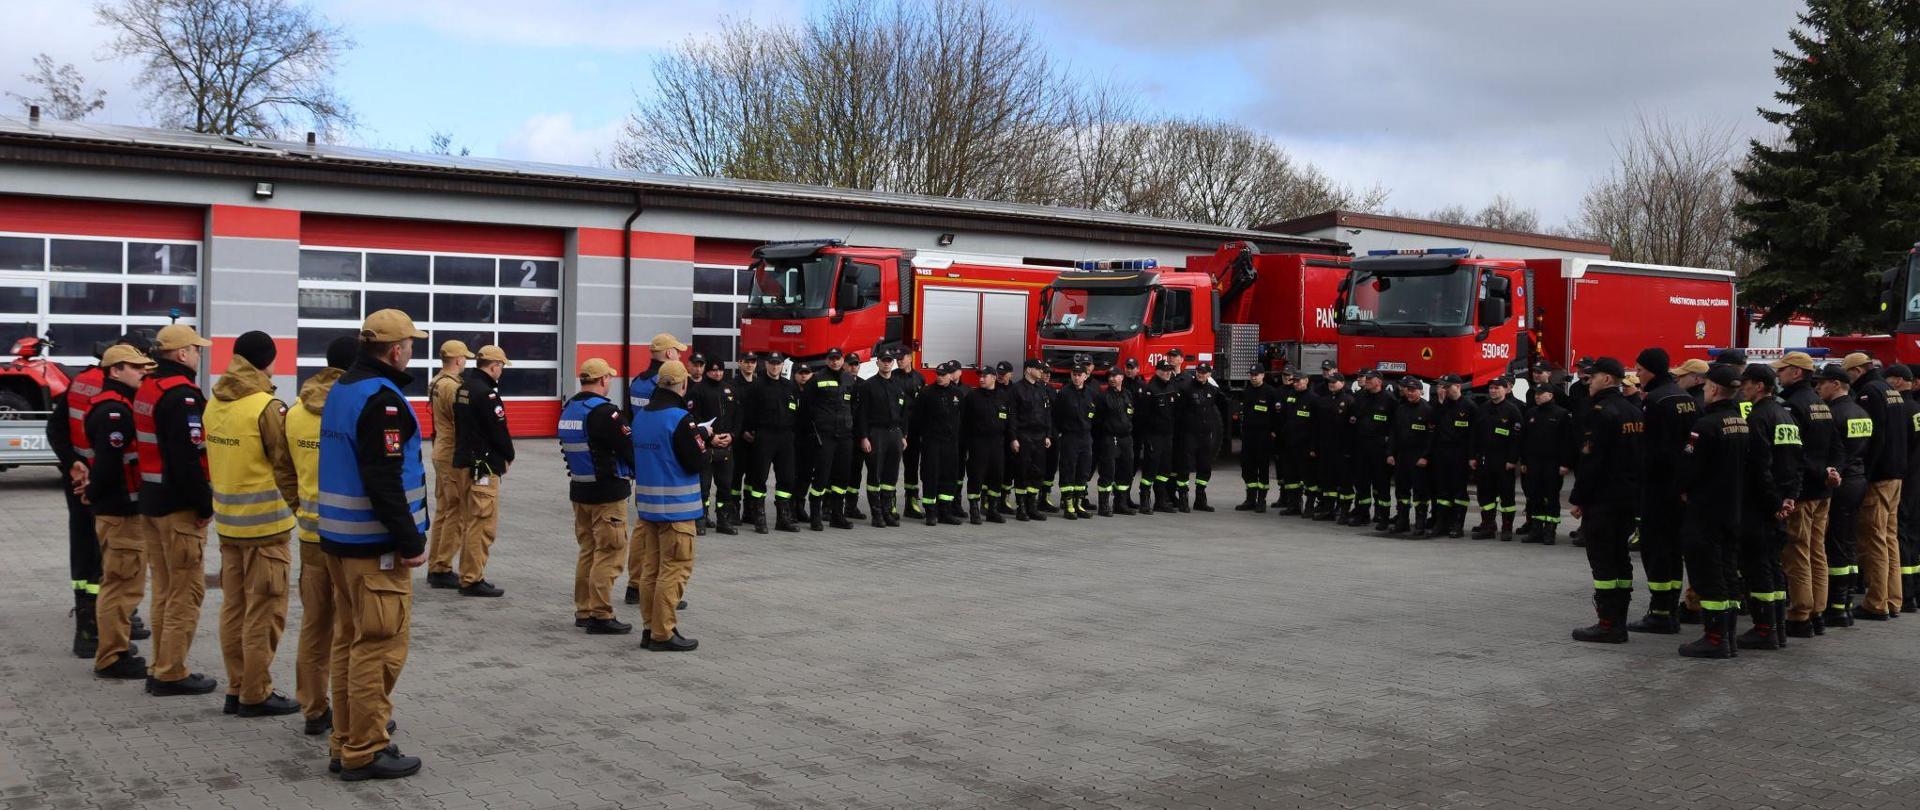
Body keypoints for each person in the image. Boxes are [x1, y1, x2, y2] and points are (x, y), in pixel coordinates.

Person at [316, 309, 429, 780]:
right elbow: (382, 478)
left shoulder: (341, 389)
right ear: (395, 349)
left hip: (340, 542)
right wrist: (410, 540)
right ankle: (366, 748)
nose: (412, 352)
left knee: (349, 643)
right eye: (410, 345)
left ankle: (346, 740)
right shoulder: (381, 400)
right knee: (378, 648)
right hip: (373, 548)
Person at [206, 330, 301, 717]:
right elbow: (286, 462)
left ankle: (236, 685)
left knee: (234, 607)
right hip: (266, 528)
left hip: (228, 525)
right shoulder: (267, 406)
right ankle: (256, 692)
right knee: (264, 611)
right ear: (267, 361)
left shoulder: (215, 401)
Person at [136, 323, 218, 697]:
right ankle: (171, 672)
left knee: (165, 589)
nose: (200, 355)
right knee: (185, 591)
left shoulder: (148, 387)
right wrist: (204, 503)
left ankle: (159, 664)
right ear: (182, 354)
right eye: (196, 350)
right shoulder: (181, 395)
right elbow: (187, 459)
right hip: (178, 507)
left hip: (150, 502)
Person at [286, 336, 356, 737]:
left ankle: (314, 709)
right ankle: (352, 716)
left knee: (315, 625)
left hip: (309, 533)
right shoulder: (352, 409)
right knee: (351, 630)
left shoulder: (295, 412)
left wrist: (299, 506)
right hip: (348, 536)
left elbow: (283, 467)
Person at [85, 344, 157, 679]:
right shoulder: (115, 412)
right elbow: (108, 466)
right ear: (115, 370)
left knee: (120, 581)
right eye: (135, 367)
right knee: (123, 585)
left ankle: (116, 646)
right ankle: (112, 657)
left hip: (116, 509)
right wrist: (96, 495)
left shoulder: (113, 406)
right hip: (121, 512)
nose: (143, 372)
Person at [631, 360, 712, 653]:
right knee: (674, 570)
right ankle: (663, 633)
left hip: (649, 508)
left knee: (651, 571)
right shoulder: (680, 418)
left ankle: (650, 628)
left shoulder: (641, 417)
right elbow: (695, 461)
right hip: (678, 510)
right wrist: (709, 443)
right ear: (683, 385)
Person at [1568, 357, 1647, 644]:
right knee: (1620, 559)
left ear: (1608, 379)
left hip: (1603, 498)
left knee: (1602, 562)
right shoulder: (1634, 410)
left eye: (1593, 376)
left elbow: (1592, 460)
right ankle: (1620, 621)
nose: (1588, 381)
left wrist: (1578, 498)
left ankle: (1607, 623)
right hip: (1628, 496)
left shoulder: (1601, 412)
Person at [1676, 364, 1748, 659]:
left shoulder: (1705, 426)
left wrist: (1680, 487)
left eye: (1705, 387)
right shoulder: (1741, 422)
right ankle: (1727, 636)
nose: (1703, 392)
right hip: (1732, 509)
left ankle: (1715, 637)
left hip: (1706, 510)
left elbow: (1690, 468)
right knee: (1728, 572)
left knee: (1708, 574)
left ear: (1715, 389)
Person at [561, 358, 635, 635]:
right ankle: (601, 615)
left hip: (580, 491)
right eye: (610, 378)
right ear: (604, 380)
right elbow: (629, 447)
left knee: (588, 552)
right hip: (607, 495)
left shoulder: (569, 409)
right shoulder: (605, 413)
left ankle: (584, 610)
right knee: (610, 553)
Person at [1629, 348, 1698, 633]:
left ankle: (1660, 612)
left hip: (1658, 487)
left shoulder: (1655, 401)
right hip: (1680, 487)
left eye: (1641, 370)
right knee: (1672, 548)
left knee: (1656, 548)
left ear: (1653, 371)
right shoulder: (1687, 399)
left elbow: (1651, 449)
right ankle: (1669, 607)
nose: (1638, 376)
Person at [1774, 352, 1842, 637]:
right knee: (1817, 551)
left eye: (1783, 371)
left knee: (1797, 553)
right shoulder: (1822, 404)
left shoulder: (1792, 405)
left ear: (1797, 373)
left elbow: (1795, 453)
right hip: (1823, 492)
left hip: (1802, 491)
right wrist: (1832, 472)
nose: (1778, 375)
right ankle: (1817, 612)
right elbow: (1837, 446)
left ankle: (1800, 613)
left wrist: (1793, 487)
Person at [1735, 363, 1800, 649]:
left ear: (1759, 386)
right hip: (1781, 501)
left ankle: (1764, 629)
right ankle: (1778, 627)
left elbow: (1760, 467)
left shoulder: (1759, 417)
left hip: (1761, 506)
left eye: (1746, 384)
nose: (1742, 389)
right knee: (1773, 566)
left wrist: (1773, 502)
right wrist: (1789, 498)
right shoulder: (1786, 416)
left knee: (1757, 567)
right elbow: (1795, 461)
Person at [1842, 352, 1906, 619]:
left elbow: (1873, 437)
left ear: (1857, 370)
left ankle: (1877, 602)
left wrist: (1866, 473)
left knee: (1875, 539)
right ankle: (1893, 598)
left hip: (1879, 476)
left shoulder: (1869, 392)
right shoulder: (1891, 390)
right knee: (1889, 538)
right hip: (1896, 475)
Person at [451, 345, 514, 598]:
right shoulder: (487, 394)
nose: (501, 372)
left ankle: (468, 574)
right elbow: (498, 431)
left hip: (463, 461)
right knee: (482, 524)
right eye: (501, 367)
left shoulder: (463, 388)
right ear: (494, 365)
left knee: (469, 521)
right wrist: (509, 455)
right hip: (483, 466)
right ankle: (472, 578)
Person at [1820, 366, 1871, 628]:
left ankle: (1836, 606)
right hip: (1858, 479)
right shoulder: (1861, 412)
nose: (1819, 388)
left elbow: (1831, 451)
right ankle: (1847, 601)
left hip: (1841, 481)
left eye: (1823, 384)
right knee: (1849, 542)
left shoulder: (1834, 413)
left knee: (1835, 543)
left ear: (1837, 384)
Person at [424, 340, 472, 590]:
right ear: (458, 360)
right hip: (452, 452)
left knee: (444, 510)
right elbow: (460, 421)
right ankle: (442, 566)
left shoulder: (436, 381)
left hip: (440, 449)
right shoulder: (452, 387)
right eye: (465, 357)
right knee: (457, 511)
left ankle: (436, 564)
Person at [740, 352, 802, 534]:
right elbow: (747, 411)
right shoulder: (757, 386)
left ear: (783, 365)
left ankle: (783, 518)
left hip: (785, 437)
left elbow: (797, 412)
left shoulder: (790, 386)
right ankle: (759, 517)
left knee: (787, 478)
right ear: (766, 364)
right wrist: (747, 430)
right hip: (764, 436)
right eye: (772, 363)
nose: (775, 367)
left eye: (778, 364)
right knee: (759, 477)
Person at [803, 348, 857, 531]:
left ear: (843, 360)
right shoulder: (816, 379)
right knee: (821, 477)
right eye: (831, 359)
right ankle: (816, 516)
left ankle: (837, 515)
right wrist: (815, 430)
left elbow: (854, 406)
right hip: (824, 436)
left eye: (838, 359)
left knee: (842, 477)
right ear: (827, 360)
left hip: (845, 436)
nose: (835, 362)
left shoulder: (850, 379)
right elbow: (806, 407)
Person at [686, 354, 740, 536]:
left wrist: (732, 435)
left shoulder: (729, 389)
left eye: (720, 370)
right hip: (707, 446)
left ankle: (724, 520)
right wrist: (710, 438)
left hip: (726, 445)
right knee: (704, 486)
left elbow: (738, 417)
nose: (717, 373)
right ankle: (700, 519)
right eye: (713, 370)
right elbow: (694, 418)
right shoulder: (698, 391)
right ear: (708, 371)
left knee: (725, 486)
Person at [855, 349, 909, 527]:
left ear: (892, 363)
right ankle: (877, 514)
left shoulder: (898, 385)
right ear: (877, 362)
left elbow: (904, 413)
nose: (887, 363)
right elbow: (861, 414)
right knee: (875, 475)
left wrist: (903, 435)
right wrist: (864, 437)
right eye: (883, 360)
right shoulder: (868, 386)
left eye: (889, 361)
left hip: (895, 434)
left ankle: (888, 512)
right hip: (876, 434)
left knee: (891, 476)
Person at [1518, 383, 1576, 545]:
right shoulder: (1531, 413)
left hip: (1553, 463)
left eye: (1541, 393)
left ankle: (1550, 530)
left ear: (1550, 396)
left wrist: (1565, 464)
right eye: (1536, 393)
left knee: (1551, 496)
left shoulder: (1561, 414)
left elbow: (1567, 442)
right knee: (1534, 495)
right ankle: (1536, 529)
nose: (1537, 396)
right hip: (1534, 462)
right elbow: (1524, 440)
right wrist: (1524, 461)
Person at [1469, 376, 1525, 540]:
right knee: (1485, 494)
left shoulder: (1512, 410)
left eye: (1497, 388)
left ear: (1505, 389)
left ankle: (1507, 528)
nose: (1493, 391)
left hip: (1504, 461)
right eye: (1491, 388)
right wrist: (1472, 456)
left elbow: (1517, 438)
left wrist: (1512, 460)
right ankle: (1488, 526)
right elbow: (1474, 434)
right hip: (1485, 459)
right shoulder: (1483, 408)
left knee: (1507, 495)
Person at [915, 361, 967, 525]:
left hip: (950, 443)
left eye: (943, 375)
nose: (940, 377)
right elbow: (917, 418)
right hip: (932, 442)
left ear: (951, 376)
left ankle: (945, 511)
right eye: (938, 374)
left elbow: (962, 418)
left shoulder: (957, 393)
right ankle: (931, 511)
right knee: (931, 475)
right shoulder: (926, 393)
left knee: (949, 475)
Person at [961, 362, 1011, 524]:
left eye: (984, 376)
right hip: (978, 442)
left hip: (997, 443)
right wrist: (966, 445)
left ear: (994, 378)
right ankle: (974, 509)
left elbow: (1010, 421)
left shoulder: (1003, 396)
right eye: (980, 376)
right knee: (976, 475)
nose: (981, 379)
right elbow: (964, 422)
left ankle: (993, 510)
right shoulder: (972, 397)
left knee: (997, 476)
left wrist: (1012, 440)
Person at [1888, 365, 1920, 614]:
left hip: (1906, 479)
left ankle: (1906, 593)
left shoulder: (1900, 410)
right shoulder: (1917, 409)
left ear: (1898, 382)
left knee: (1902, 534)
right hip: (1916, 479)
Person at [1387, 376, 1435, 536]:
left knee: (1420, 491)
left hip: (1418, 456)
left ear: (1420, 392)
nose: (1410, 393)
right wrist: (1390, 453)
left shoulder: (1427, 410)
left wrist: (1425, 457)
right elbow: (1394, 433)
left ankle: (1420, 522)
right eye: (1408, 390)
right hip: (1402, 455)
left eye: (1413, 390)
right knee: (1401, 490)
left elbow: (1431, 437)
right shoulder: (1401, 408)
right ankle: (1402, 520)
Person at [1429, 375, 1474, 538]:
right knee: (1442, 490)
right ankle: (1441, 523)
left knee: (1458, 491)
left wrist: (1471, 456)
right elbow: (1432, 424)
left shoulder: (1469, 406)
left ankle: (1457, 524)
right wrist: (1440, 402)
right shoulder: (1441, 405)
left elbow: (1473, 434)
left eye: (1447, 387)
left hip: (1459, 454)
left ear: (1458, 386)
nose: (1444, 390)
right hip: (1442, 453)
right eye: (1442, 387)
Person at [1009, 359, 1055, 521]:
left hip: (1040, 436)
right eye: (1038, 369)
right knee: (1023, 472)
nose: (1042, 372)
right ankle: (1021, 507)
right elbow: (1013, 416)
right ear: (1028, 370)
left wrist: (1048, 435)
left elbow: (1047, 414)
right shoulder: (1017, 389)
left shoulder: (1042, 389)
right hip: (1024, 436)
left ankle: (1032, 506)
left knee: (1037, 472)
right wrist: (1013, 438)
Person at [1308, 370, 1355, 522]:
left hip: (1342, 448)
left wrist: (1349, 449)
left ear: (1342, 383)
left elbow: (1353, 428)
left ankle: (1344, 510)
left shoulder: (1349, 401)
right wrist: (1315, 447)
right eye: (1329, 382)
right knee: (1327, 479)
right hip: (1325, 447)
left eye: (1334, 382)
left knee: (1344, 481)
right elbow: (1316, 426)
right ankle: (1328, 509)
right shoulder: (1323, 401)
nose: (1331, 384)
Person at [1053, 359, 1097, 519]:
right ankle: (1068, 504)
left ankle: (1079, 503)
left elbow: (1095, 415)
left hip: (1085, 437)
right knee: (1068, 470)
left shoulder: (1091, 393)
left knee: (1083, 471)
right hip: (1070, 437)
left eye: (1080, 375)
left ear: (1086, 376)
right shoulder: (1064, 393)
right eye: (1074, 374)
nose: (1077, 378)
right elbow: (1056, 416)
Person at [1352, 369, 1396, 530]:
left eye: (1370, 379)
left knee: (1382, 485)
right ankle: (1362, 514)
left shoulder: (1389, 400)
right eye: (1367, 378)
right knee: (1361, 483)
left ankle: (1383, 516)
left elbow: (1394, 428)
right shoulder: (1359, 397)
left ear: (1379, 381)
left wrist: (1390, 450)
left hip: (1380, 450)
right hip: (1361, 447)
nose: (1367, 381)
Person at [1092, 362, 1135, 517]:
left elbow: (1131, 414)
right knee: (1107, 472)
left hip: (1126, 439)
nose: (1111, 379)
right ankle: (1103, 505)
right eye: (1109, 376)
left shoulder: (1127, 394)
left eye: (1114, 376)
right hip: (1110, 439)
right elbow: (1097, 420)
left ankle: (1120, 503)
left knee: (1126, 471)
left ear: (1122, 377)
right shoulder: (1102, 397)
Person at [1234, 367, 1278, 512]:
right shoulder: (1247, 392)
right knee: (1247, 467)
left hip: (1263, 436)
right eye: (1251, 375)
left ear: (1263, 375)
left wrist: (1273, 432)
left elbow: (1276, 415)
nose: (1253, 377)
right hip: (1248, 436)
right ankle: (1250, 499)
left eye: (1256, 375)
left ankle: (1261, 500)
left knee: (1262, 468)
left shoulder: (1271, 392)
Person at [1276, 371, 1315, 517]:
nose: (1296, 383)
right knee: (1291, 477)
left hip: (1304, 445)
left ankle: (1310, 505)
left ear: (1306, 381)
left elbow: (1315, 426)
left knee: (1308, 477)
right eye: (1294, 381)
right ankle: (1294, 505)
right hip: (1289, 443)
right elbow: (1283, 417)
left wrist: (1312, 446)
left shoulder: (1312, 399)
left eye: (1299, 381)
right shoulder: (1290, 396)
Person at [897, 354, 928, 520]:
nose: (899, 361)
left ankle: (911, 502)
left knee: (912, 466)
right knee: (891, 467)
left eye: (902, 358)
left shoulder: (919, 378)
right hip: (896, 428)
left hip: (914, 429)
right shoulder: (892, 377)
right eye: (897, 359)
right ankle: (889, 503)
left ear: (910, 358)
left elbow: (924, 405)